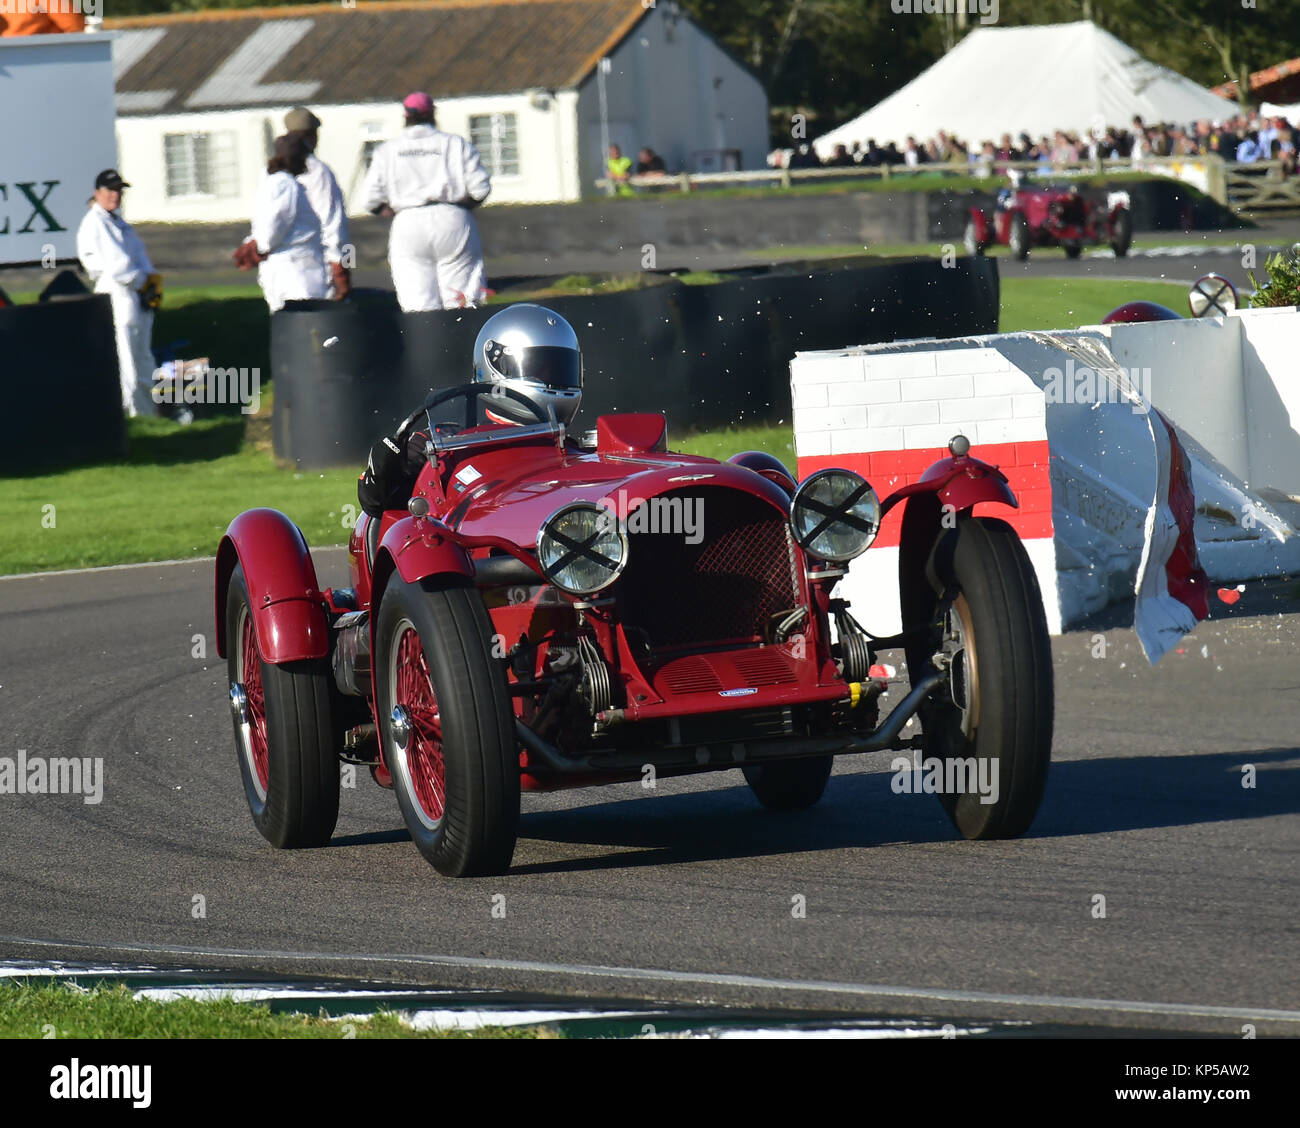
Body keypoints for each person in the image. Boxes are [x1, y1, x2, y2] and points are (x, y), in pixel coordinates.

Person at [358, 303, 582, 520]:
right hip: (464, 549)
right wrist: (387, 470)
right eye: (541, 369)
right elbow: (376, 502)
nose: (552, 379)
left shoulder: (567, 448)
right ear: (496, 364)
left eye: (560, 369)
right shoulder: (442, 445)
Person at [361, 92, 491, 311]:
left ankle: (428, 342)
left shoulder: (388, 150)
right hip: (453, 218)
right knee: (461, 299)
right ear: (432, 114)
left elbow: (370, 200)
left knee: (417, 303)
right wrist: (460, 208)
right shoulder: (455, 144)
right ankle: (464, 342)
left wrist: (394, 211)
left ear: (406, 116)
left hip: (408, 221)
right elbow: (481, 189)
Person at [75, 169, 161, 418]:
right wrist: (145, 280)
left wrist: (151, 282)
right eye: (110, 190)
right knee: (126, 360)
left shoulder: (120, 223)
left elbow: (140, 256)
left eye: (119, 191)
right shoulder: (94, 223)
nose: (115, 195)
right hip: (117, 295)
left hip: (138, 295)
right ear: (97, 193)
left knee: (143, 355)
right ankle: (130, 414)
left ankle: (149, 413)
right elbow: (119, 266)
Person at [238, 134, 328, 312]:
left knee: (288, 320)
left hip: (287, 265)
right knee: (305, 321)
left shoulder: (276, 182)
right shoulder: (285, 184)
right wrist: (261, 247)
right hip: (295, 268)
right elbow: (275, 222)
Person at [284, 105, 351, 299]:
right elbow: (336, 224)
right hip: (316, 263)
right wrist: (345, 268)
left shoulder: (272, 171)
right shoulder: (318, 171)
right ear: (312, 136)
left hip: (281, 265)